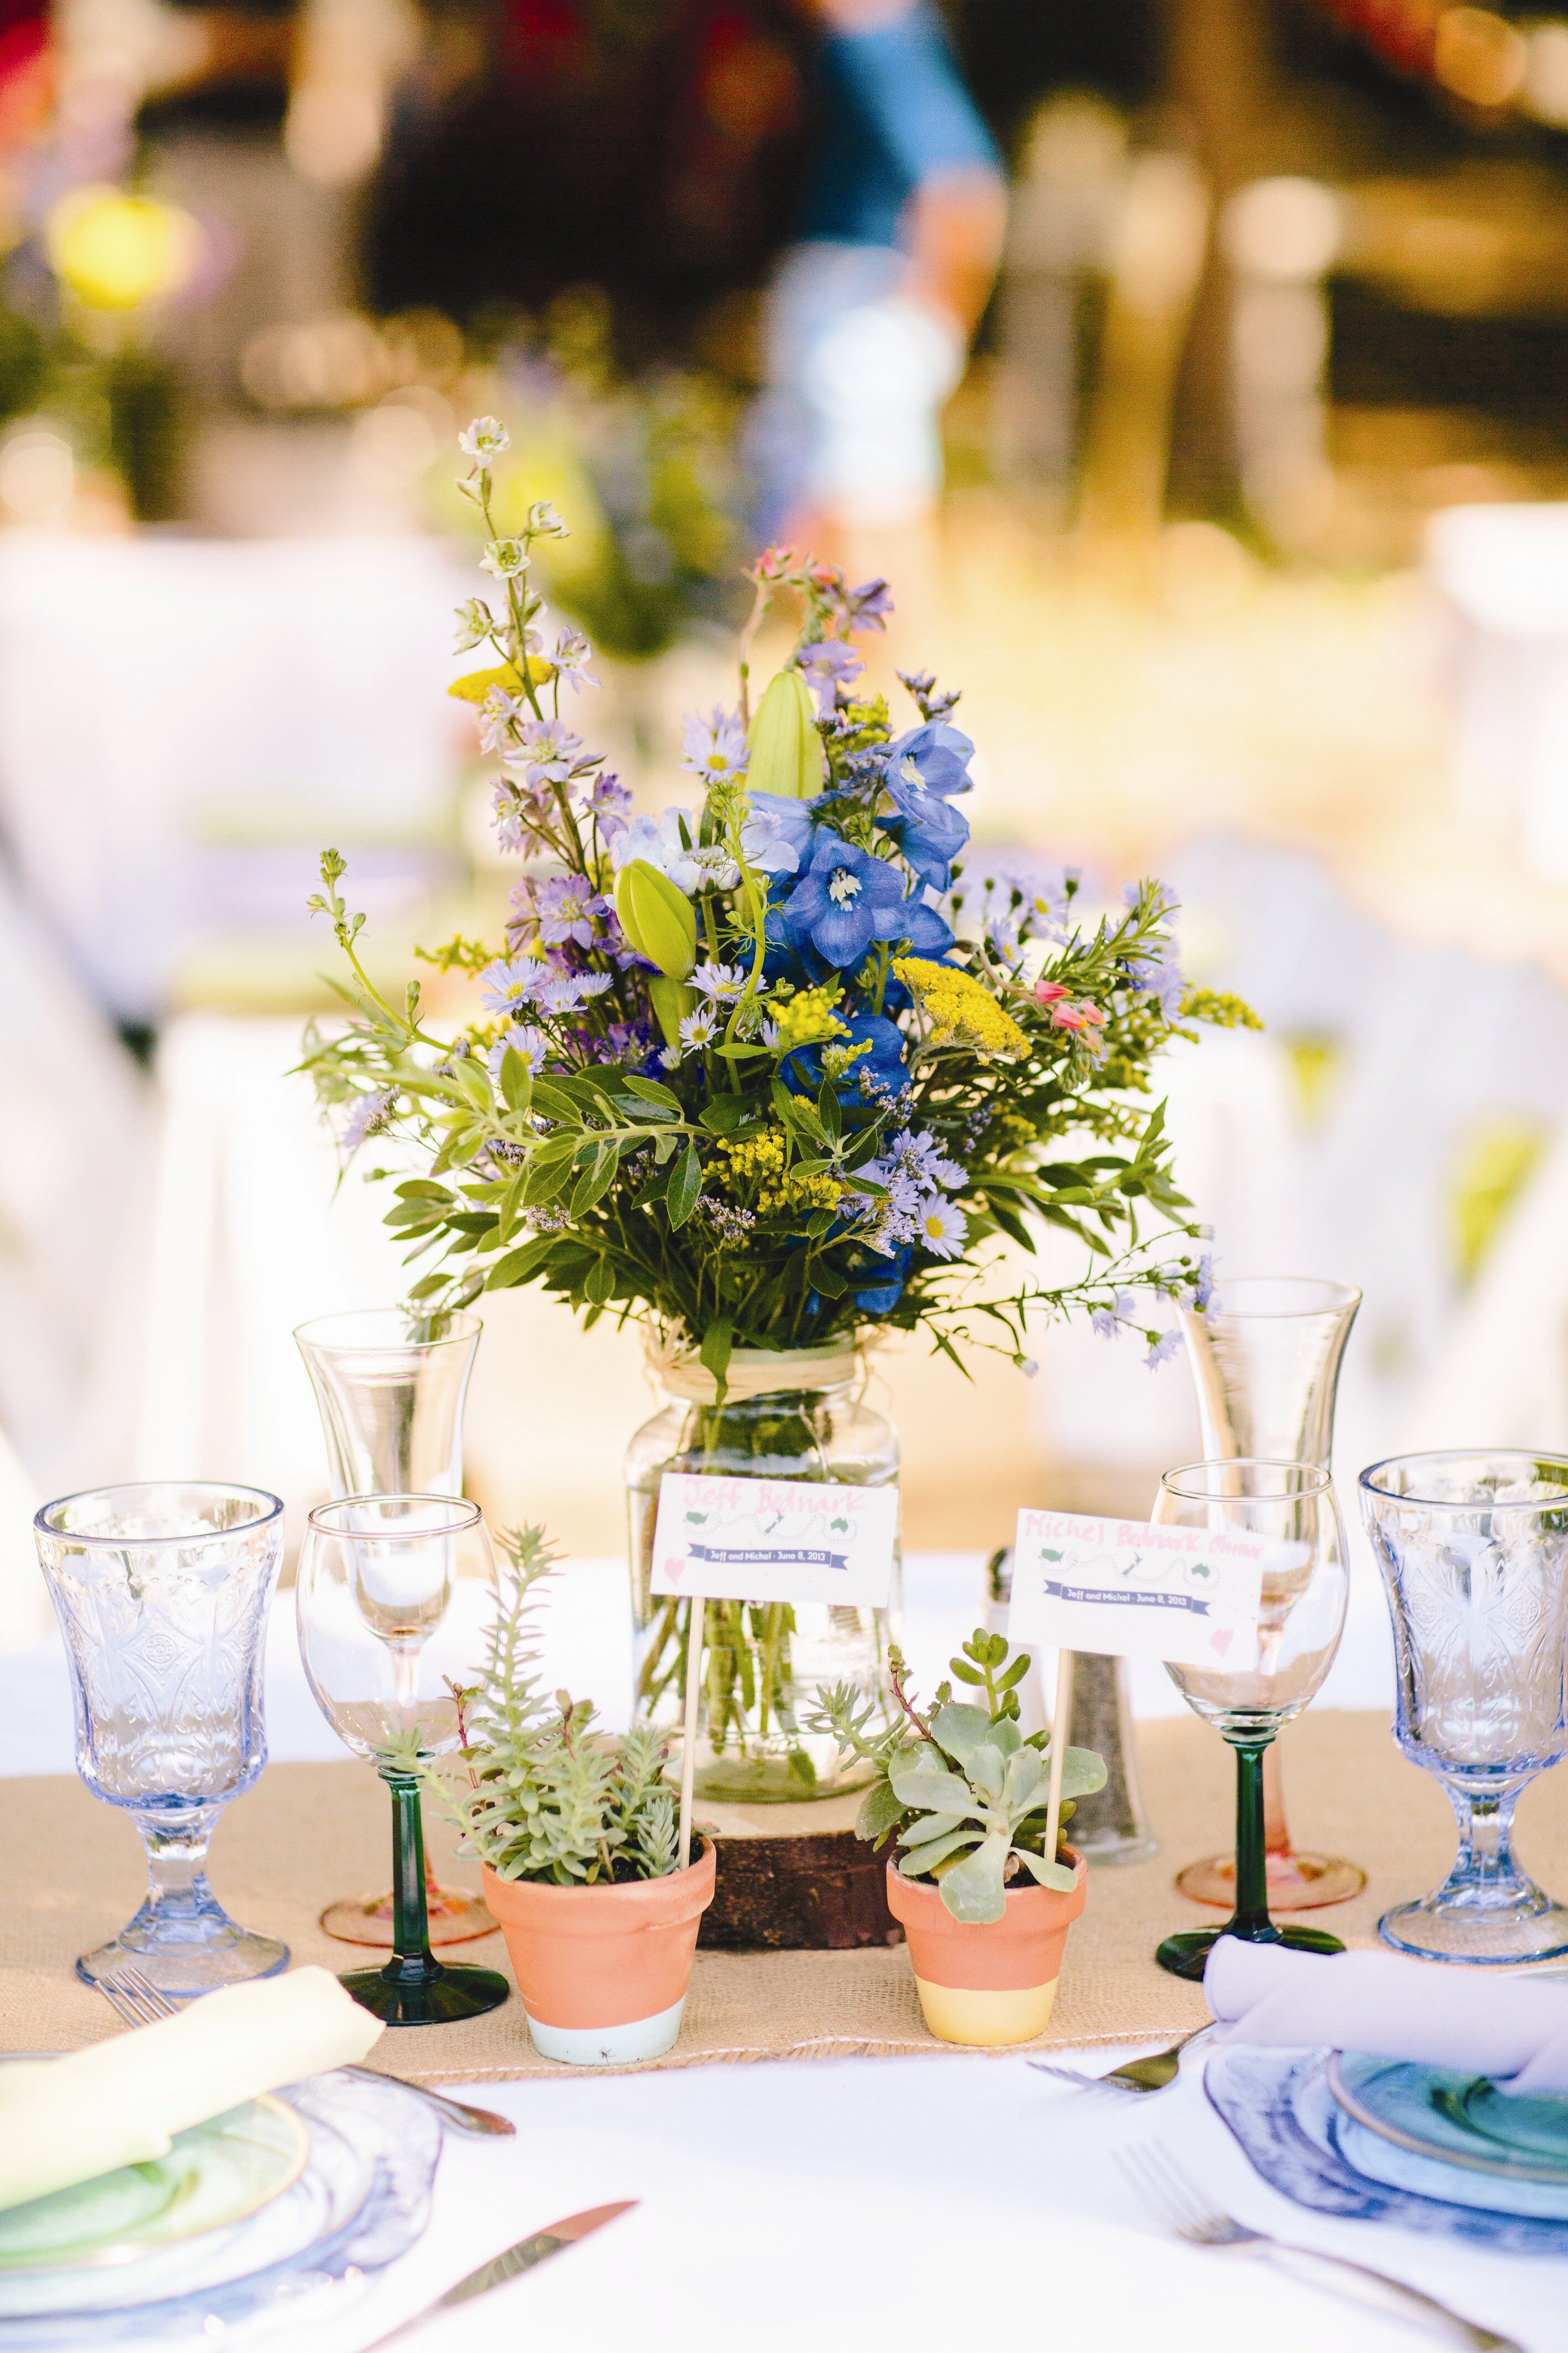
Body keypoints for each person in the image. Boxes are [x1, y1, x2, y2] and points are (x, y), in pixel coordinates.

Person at [752, 0, 1006, 560]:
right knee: (824, 512)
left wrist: (940, 318)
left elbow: (962, 188)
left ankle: (895, 652)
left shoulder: (878, 36)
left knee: (868, 511)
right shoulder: (860, 38)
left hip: (863, 302)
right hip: (858, 296)